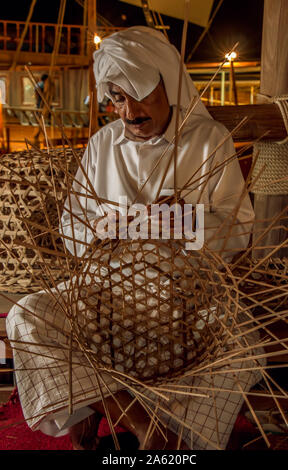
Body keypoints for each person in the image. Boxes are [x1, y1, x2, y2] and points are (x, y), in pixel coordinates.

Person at [6, 27, 262, 450]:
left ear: (169, 82)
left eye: (138, 94)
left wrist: (182, 221)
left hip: (187, 292)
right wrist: (108, 229)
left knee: (239, 348)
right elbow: (73, 224)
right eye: (118, 98)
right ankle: (143, 425)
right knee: (29, 314)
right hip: (107, 288)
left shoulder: (207, 141)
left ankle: (151, 433)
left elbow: (239, 228)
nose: (128, 110)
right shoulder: (101, 145)